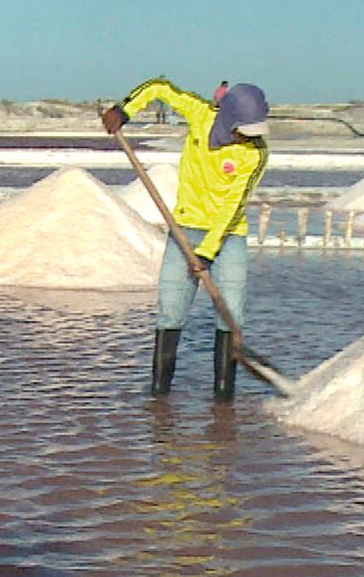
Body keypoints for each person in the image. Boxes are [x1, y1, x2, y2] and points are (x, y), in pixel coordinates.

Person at [102, 79, 270, 401]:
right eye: (244, 129)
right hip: (184, 230)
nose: (249, 136)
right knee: (170, 311)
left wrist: (207, 252)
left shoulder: (256, 153)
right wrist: (125, 110)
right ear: (229, 117)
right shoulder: (200, 114)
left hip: (228, 235)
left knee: (230, 312)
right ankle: (159, 394)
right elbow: (160, 88)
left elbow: (233, 207)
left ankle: (223, 397)